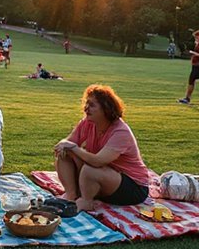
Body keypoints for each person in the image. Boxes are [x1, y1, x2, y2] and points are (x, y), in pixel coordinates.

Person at [53, 84, 152, 212]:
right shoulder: (88, 122)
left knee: (89, 169)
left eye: (92, 105)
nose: (86, 108)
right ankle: (71, 195)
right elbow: (67, 143)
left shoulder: (120, 131)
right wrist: (64, 145)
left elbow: (98, 161)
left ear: (106, 108)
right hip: (105, 176)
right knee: (64, 153)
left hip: (133, 188)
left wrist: (75, 148)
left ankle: (86, 201)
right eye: (86, 103)